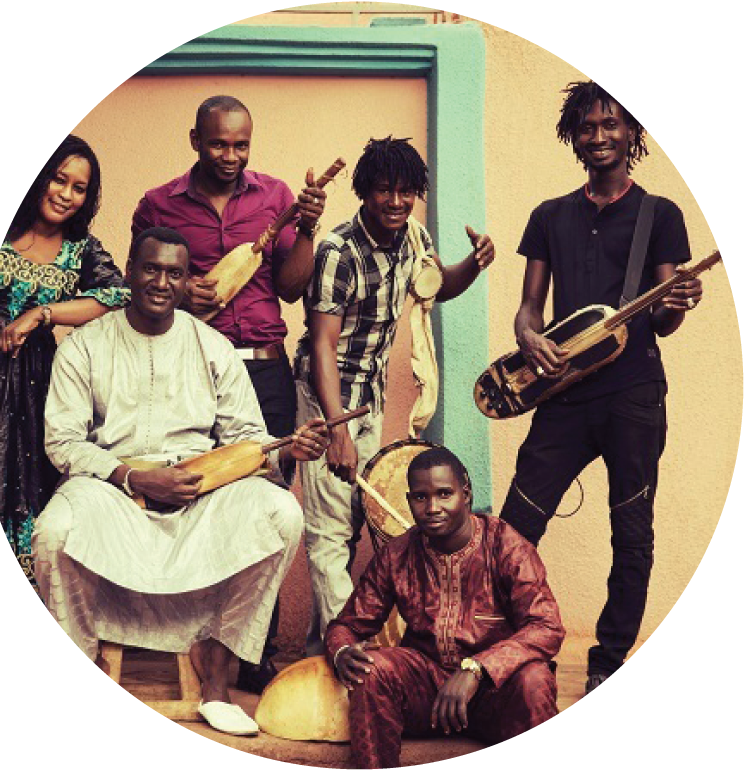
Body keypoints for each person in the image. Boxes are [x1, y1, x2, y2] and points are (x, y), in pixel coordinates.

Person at [32, 227, 329, 736]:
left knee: (279, 513)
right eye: (151, 269)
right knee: (54, 530)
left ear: (188, 278)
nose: (161, 282)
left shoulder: (211, 346)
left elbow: (248, 438)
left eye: (175, 272)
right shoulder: (85, 345)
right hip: (113, 488)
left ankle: (214, 674)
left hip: (198, 489)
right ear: (129, 270)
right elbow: (62, 442)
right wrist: (132, 475)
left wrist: (285, 453)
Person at [498, 81, 703, 694]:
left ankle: (608, 661)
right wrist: (530, 340)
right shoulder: (549, 216)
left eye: (611, 124)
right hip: (563, 392)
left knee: (631, 529)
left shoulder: (659, 215)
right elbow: (528, 310)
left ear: (633, 133)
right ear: (574, 136)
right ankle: (508, 647)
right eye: (587, 126)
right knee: (515, 526)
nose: (599, 135)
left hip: (634, 394)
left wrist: (680, 302)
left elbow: (663, 320)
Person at [131, 94, 327, 692]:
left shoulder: (274, 196)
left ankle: (250, 652)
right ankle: (187, 644)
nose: (231, 156)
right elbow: (142, 279)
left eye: (242, 144)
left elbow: (292, 289)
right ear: (195, 140)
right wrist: (182, 289)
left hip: (264, 371)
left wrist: (308, 228)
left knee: (264, 503)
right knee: (191, 497)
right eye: (219, 143)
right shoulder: (158, 204)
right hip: (192, 368)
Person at [294, 136, 495, 656]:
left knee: (356, 521)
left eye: (406, 191)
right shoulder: (337, 250)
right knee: (328, 530)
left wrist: (474, 264)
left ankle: (325, 640)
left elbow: (436, 285)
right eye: (384, 189)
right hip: (326, 399)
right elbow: (322, 345)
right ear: (364, 191)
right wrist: (335, 430)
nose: (396, 201)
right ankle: (349, 654)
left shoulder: (414, 235)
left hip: (370, 396)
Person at [325, 446, 564, 769]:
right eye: (421, 498)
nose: (433, 507)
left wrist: (477, 668)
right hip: (429, 695)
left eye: (444, 494)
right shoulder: (398, 554)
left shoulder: (504, 545)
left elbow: (547, 627)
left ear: (465, 494)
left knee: (535, 679)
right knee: (373, 670)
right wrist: (341, 651)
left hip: (495, 692)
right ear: (410, 502)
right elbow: (348, 625)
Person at [0, 135, 130, 574]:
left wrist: (43, 313)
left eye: (79, 188)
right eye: (58, 179)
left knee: (23, 490)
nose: (65, 194)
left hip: (31, 391)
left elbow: (118, 295)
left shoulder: (80, 249)